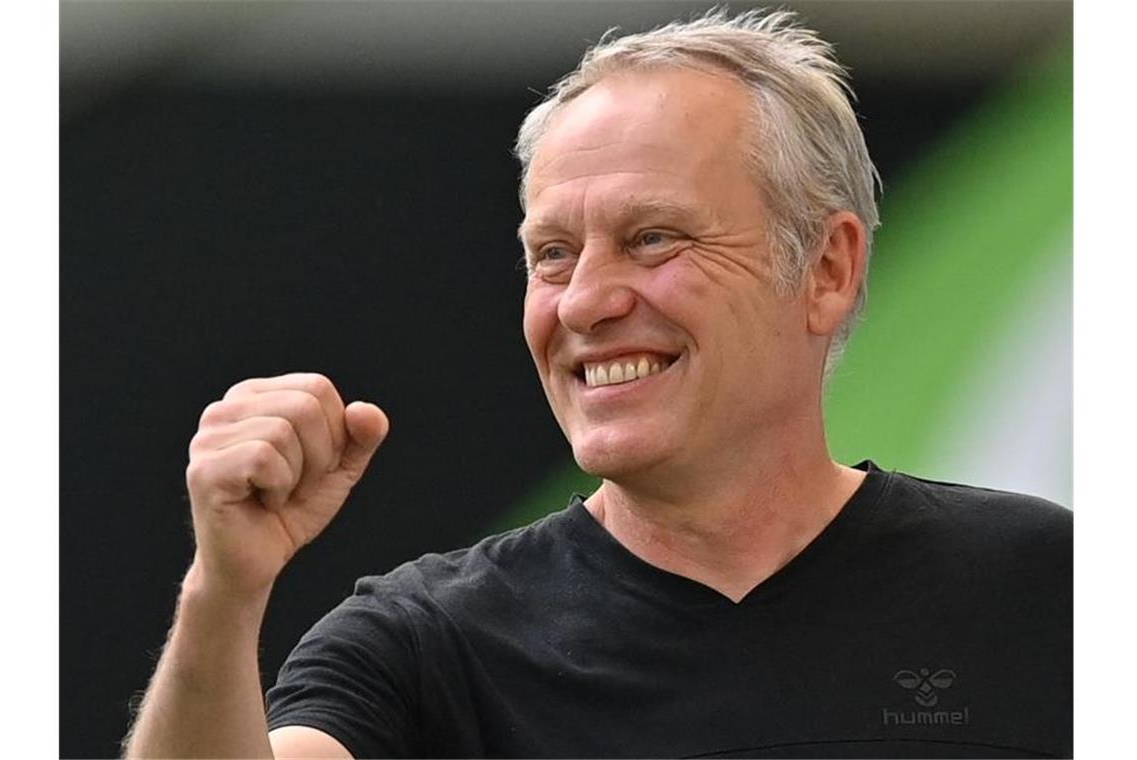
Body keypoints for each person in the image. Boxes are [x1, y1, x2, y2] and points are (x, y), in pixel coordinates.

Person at [123, 9, 1071, 758]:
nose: (584, 302)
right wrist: (223, 592)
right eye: (552, 254)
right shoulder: (428, 646)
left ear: (825, 270)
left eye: (653, 238)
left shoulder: (1054, 590)